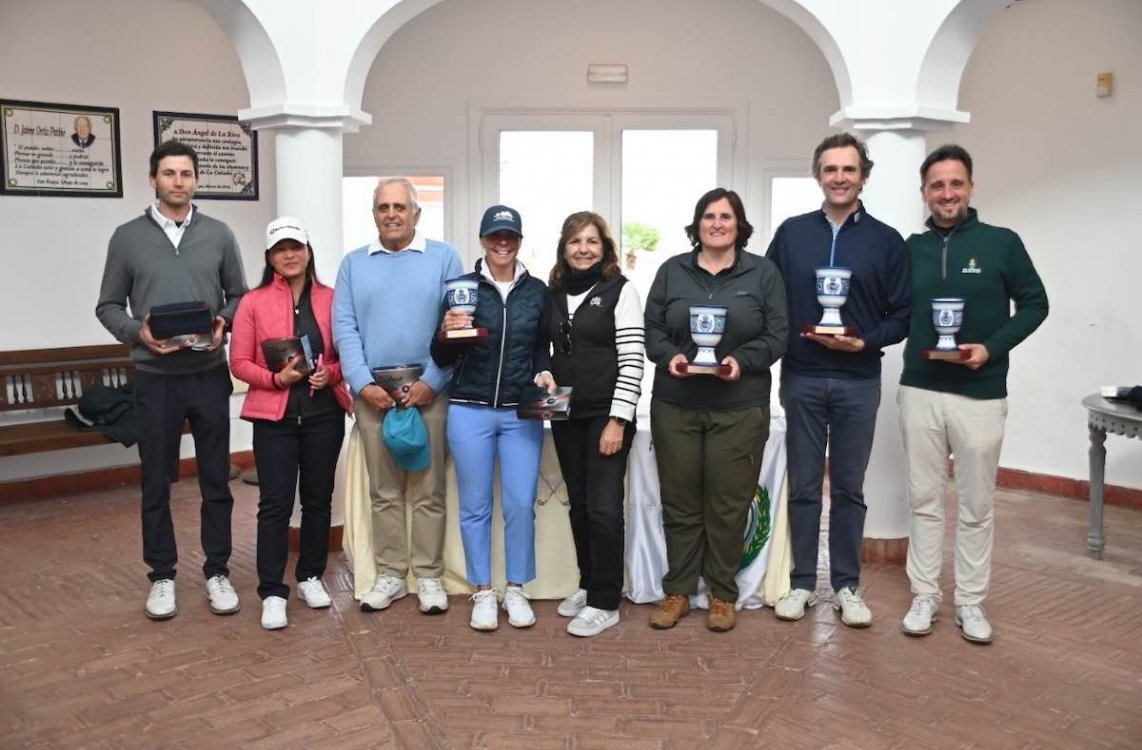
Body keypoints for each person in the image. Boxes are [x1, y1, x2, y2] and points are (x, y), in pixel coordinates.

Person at [898, 145, 1048, 644]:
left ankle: (970, 601)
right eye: (937, 185)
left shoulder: (1002, 243)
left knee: (977, 505)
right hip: (920, 390)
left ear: (970, 187)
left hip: (981, 395)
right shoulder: (909, 249)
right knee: (923, 500)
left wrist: (991, 348)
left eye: (955, 183)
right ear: (925, 192)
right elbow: (889, 309)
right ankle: (925, 594)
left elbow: (1035, 304)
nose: (947, 193)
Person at [95, 140, 248, 620]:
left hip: (207, 374)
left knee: (215, 479)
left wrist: (224, 321)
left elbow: (239, 295)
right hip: (154, 377)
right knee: (156, 482)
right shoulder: (127, 238)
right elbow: (108, 306)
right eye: (169, 173)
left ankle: (217, 571)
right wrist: (135, 332)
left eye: (185, 174)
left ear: (196, 180)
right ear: (153, 179)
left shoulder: (220, 235)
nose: (178, 181)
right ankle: (162, 576)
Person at [765, 133, 910, 628]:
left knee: (848, 488)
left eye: (849, 169)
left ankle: (847, 585)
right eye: (831, 169)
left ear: (863, 175)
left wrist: (864, 342)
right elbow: (768, 299)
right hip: (802, 376)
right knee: (804, 486)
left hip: (858, 379)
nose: (840, 177)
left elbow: (903, 315)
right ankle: (803, 582)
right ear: (818, 175)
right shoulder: (790, 234)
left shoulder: (886, 241)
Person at [644, 188, 788, 633]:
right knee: (681, 503)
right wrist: (670, 357)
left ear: (739, 224)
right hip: (676, 406)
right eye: (709, 216)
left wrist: (739, 362)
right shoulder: (672, 271)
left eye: (726, 216)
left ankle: (723, 594)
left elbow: (778, 334)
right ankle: (679, 591)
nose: (717, 223)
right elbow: (652, 330)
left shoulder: (762, 274)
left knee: (728, 505)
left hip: (738, 408)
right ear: (697, 223)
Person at [333, 177, 463, 615]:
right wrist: (361, 383)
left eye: (400, 207)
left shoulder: (444, 258)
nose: (391, 214)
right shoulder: (354, 264)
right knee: (384, 490)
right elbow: (344, 327)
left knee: (429, 489)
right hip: (373, 396)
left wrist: (434, 379)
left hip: (430, 392)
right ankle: (390, 574)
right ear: (374, 214)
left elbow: (456, 323)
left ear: (416, 214)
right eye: (383, 207)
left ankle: (428, 576)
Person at [431, 205, 554, 632]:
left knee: (520, 503)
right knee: (475, 506)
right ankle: (483, 591)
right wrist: (447, 329)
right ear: (482, 240)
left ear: (519, 241)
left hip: (521, 411)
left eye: (510, 237)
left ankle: (516, 588)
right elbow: (440, 355)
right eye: (495, 236)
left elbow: (542, 347)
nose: (503, 243)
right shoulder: (461, 288)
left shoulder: (537, 291)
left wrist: (546, 370)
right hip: (468, 408)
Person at [230, 217, 353, 630]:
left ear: (308, 251)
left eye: (296, 247)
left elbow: (344, 354)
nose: (289, 254)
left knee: (318, 499)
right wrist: (275, 379)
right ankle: (272, 590)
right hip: (274, 418)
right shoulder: (253, 302)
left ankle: (310, 576)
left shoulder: (333, 298)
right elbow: (239, 363)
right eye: (280, 249)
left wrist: (330, 374)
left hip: (324, 415)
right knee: (275, 504)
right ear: (269, 257)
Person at [547, 212, 645, 637]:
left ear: (605, 247)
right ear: (563, 248)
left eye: (591, 241)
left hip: (608, 416)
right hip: (566, 413)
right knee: (582, 505)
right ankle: (588, 585)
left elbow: (632, 362)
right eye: (574, 241)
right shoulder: (552, 293)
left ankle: (607, 601)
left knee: (605, 509)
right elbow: (545, 353)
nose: (583, 249)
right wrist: (543, 380)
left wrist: (618, 420)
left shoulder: (621, 291)